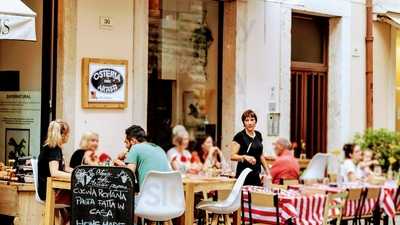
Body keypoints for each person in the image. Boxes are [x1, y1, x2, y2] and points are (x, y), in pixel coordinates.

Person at [37, 120, 72, 224]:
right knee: (81, 196)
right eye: (68, 133)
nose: (69, 136)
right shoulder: (54, 149)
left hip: (48, 191)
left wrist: (78, 171)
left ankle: (66, 220)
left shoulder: (51, 147)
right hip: (50, 193)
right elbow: (55, 172)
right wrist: (75, 176)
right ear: (63, 134)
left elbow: (64, 168)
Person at [231, 110, 270, 186]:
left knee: (257, 196)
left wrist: (268, 172)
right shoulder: (239, 136)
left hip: (256, 174)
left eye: (252, 120)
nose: (250, 123)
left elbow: (261, 155)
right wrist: (245, 157)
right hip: (243, 175)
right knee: (245, 197)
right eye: (246, 120)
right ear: (243, 123)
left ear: (255, 122)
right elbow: (232, 156)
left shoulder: (258, 135)